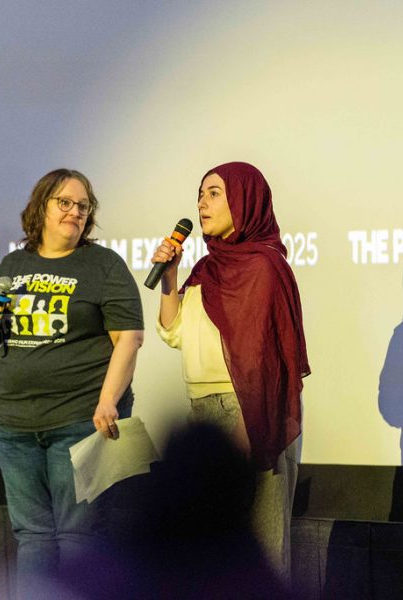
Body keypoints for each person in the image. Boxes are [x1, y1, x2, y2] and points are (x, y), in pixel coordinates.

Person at [0, 168, 144, 598]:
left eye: (83, 206)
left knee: (79, 536)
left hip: (80, 421)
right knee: (32, 536)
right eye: (64, 202)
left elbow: (129, 338)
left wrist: (108, 400)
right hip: (14, 425)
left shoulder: (103, 265)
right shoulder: (15, 264)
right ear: (41, 207)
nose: (75, 212)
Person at [152, 161, 310, 581]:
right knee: (208, 557)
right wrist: (170, 277)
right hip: (202, 414)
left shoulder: (265, 266)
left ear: (245, 200)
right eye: (200, 194)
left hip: (249, 413)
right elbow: (173, 331)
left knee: (260, 554)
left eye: (214, 193)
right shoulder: (206, 269)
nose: (202, 204)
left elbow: (268, 360)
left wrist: (246, 431)